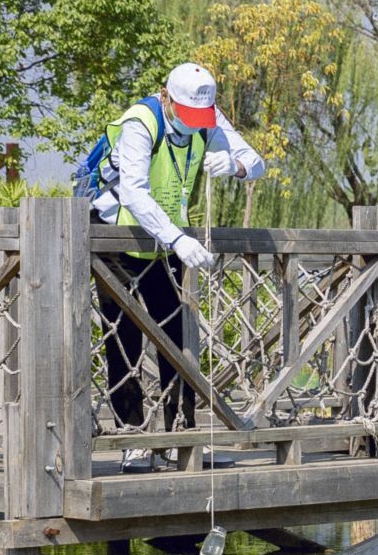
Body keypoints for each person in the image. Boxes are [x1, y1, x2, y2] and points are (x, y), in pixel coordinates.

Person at [91, 62, 266, 470]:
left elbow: (257, 162)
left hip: (166, 238)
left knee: (177, 336)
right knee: (123, 339)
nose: (192, 125)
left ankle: (181, 436)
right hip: (118, 239)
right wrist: (178, 238)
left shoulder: (205, 116)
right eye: (185, 115)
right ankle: (132, 438)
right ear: (166, 96)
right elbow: (133, 192)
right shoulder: (141, 122)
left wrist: (235, 166)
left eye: (198, 118)